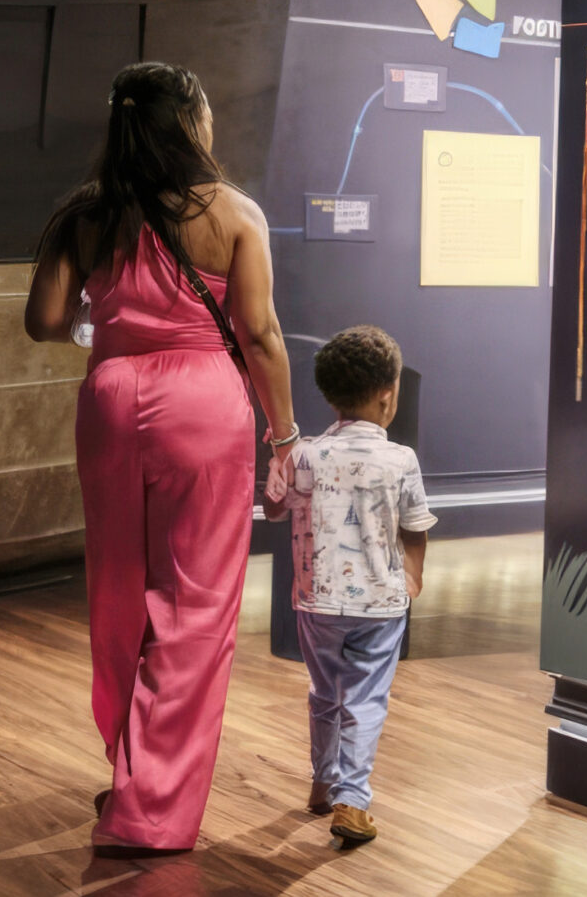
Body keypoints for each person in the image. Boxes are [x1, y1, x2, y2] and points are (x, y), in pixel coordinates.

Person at [23, 61, 298, 854]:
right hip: (205, 406)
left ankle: (127, 764)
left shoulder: (86, 213)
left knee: (119, 588)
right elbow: (262, 335)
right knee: (194, 605)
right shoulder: (235, 213)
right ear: (190, 122)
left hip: (110, 399)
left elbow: (43, 319)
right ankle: (150, 808)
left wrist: (102, 328)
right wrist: (284, 435)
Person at [266, 326, 435, 847]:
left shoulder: (308, 456)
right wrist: (412, 578)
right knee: (365, 699)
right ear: (389, 395)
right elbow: (416, 526)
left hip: (317, 602)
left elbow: (274, 507)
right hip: (381, 605)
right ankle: (353, 802)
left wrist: (281, 454)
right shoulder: (401, 459)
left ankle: (322, 782)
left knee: (324, 693)